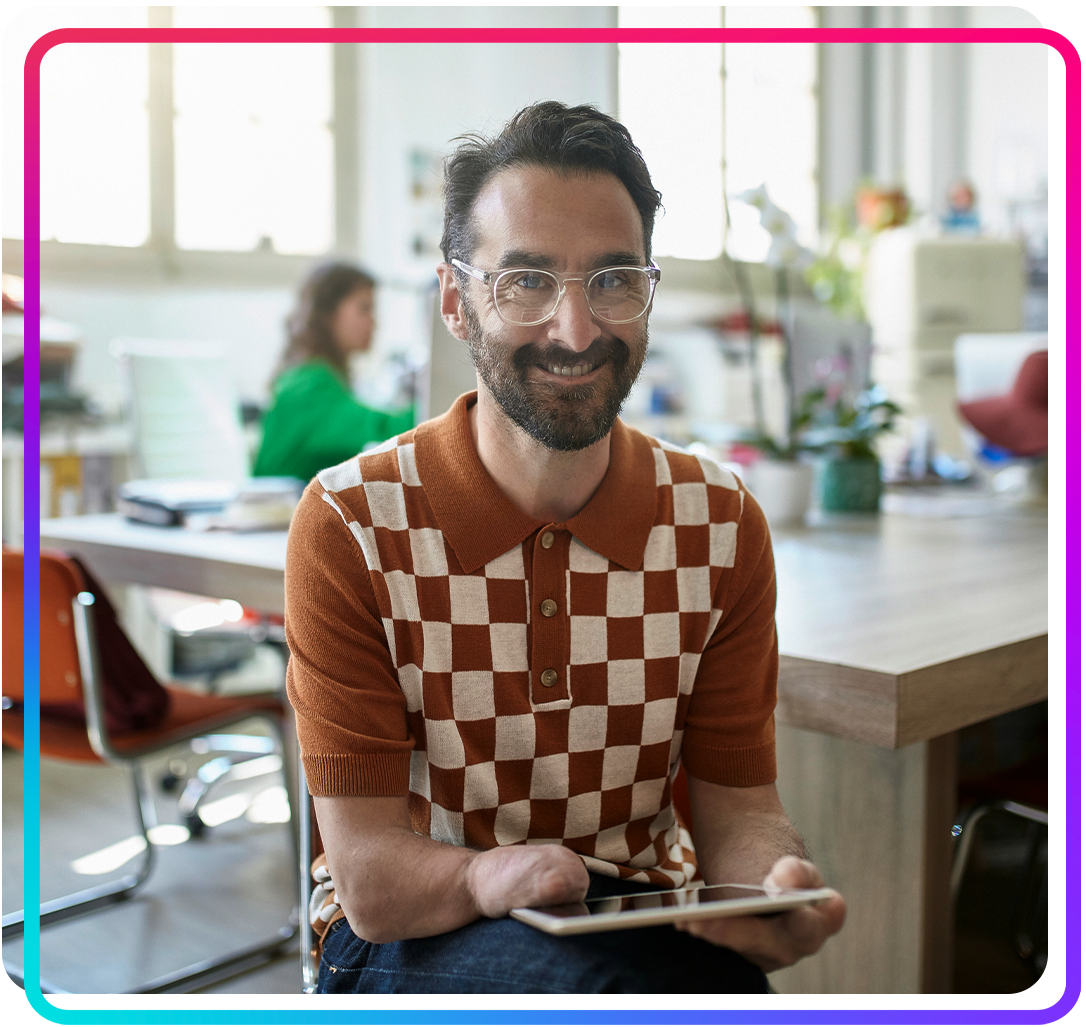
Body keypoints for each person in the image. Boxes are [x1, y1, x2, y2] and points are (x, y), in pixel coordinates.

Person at [285, 101, 846, 996]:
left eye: (614, 279)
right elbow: (369, 882)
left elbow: (743, 811)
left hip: (638, 912)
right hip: (402, 932)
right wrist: (480, 874)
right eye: (527, 281)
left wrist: (769, 889)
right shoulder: (351, 522)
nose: (577, 330)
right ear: (456, 302)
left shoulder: (722, 522)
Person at [252, 262, 415, 481]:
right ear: (327, 314)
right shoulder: (309, 385)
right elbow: (385, 429)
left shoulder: (310, 375)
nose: (374, 322)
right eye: (364, 308)